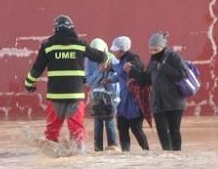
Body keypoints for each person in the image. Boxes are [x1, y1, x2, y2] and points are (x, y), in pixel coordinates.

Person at [24, 15, 106, 151]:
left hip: (55, 97)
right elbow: (100, 57)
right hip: (75, 96)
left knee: (52, 130)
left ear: (55, 30)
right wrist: (106, 56)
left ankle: (51, 156)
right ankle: (78, 156)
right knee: (77, 129)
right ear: (72, 28)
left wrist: (28, 84)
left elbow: (36, 70)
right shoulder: (80, 45)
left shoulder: (48, 47)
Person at [127, 31, 187, 151]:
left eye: (156, 49)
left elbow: (182, 74)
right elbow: (146, 80)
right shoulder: (153, 60)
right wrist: (132, 71)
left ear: (163, 47)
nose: (153, 52)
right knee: (162, 132)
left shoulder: (173, 56)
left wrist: (163, 66)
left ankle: (176, 158)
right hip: (157, 103)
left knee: (174, 130)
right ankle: (167, 156)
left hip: (174, 103)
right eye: (151, 50)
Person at [110, 36, 150, 151]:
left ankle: (146, 151)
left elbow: (140, 71)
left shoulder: (133, 59)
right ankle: (125, 155)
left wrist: (132, 68)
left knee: (136, 129)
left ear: (122, 50)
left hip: (134, 102)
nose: (113, 51)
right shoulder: (120, 60)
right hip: (123, 101)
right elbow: (120, 75)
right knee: (122, 128)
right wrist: (111, 79)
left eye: (115, 50)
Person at [85, 38, 120, 152]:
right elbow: (89, 81)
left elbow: (118, 78)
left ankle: (113, 147)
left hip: (112, 95)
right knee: (98, 123)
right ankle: (98, 151)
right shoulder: (89, 60)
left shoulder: (112, 58)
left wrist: (110, 69)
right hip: (97, 96)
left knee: (110, 121)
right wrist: (100, 71)